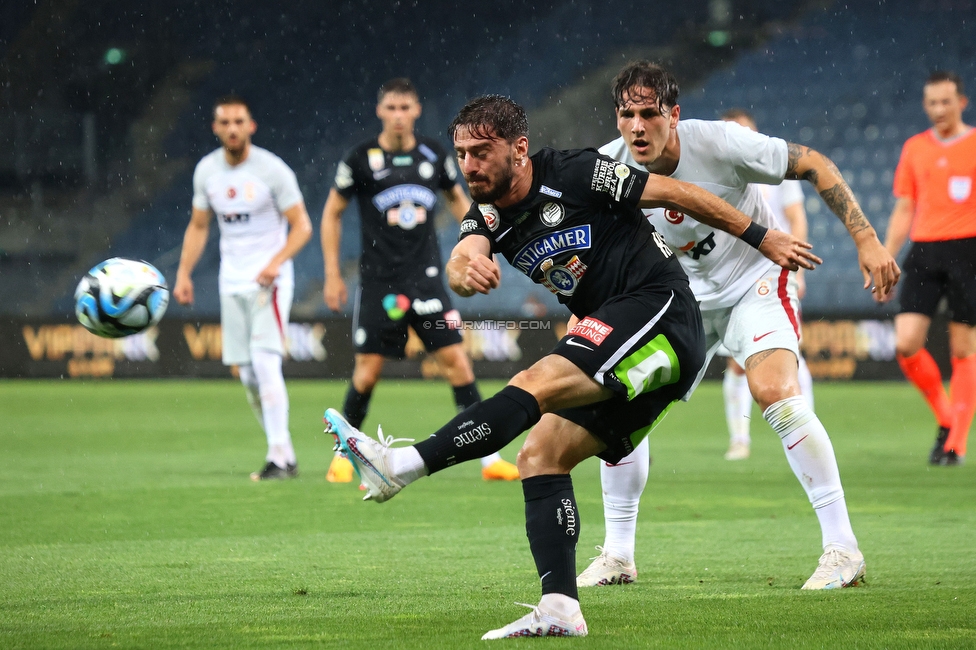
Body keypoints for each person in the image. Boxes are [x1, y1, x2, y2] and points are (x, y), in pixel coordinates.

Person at [325, 94, 817, 638]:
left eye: (481, 152)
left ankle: (402, 466)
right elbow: (463, 259)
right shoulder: (486, 211)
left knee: (532, 383)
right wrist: (468, 271)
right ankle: (560, 606)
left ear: (519, 148)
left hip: (658, 308)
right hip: (626, 334)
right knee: (541, 455)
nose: (469, 165)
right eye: (462, 153)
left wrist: (761, 235)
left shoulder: (578, 172)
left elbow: (677, 191)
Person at [575, 61, 900, 592]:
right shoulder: (606, 171)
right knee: (620, 405)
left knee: (773, 389)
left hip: (755, 280)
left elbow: (814, 162)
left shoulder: (723, 143)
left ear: (674, 115)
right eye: (627, 115)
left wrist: (865, 238)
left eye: (650, 114)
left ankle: (843, 549)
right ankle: (617, 555)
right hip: (678, 299)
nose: (638, 127)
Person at [320, 78, 519, 483]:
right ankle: (344, 456)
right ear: (380, 111)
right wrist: (330, 273)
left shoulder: (434, 155)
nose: (398, 115)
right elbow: (331, 213)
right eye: (391, 108)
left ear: (416, 111)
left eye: (405, 108)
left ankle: (490, 459)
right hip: (379, 283)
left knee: (458, 365)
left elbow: (463, 202)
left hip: (426, 282)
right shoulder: (360, 159)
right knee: (367, 371)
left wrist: (478, 246)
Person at [173, 95, 312, 480]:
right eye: (225, 122)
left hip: (270, 281)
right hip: (231, 282)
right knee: (248, 374)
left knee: (266, 363)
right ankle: (282, 451)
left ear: (251, 126)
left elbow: (302, 226)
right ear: (216, 128)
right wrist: (184, 273)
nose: (232, 128)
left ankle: (279, 457)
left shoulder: (272, 170)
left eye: (239, 121)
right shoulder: (207, 172)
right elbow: (199, 226)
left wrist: (274, 263)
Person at [884, 70, 976, 466]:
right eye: (932, 103)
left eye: (946, 102)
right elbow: (905, 206)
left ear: (962, 103)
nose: (939, 109)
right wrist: (886, 255)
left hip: (969, 250)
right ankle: (946, 417)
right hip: (924, 251)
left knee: (962, 348)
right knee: (906, 344)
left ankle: (955, 442)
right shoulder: (915, 148)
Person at [718, 108, 815, 461]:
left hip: (774, 275)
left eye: (745, 131)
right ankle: (740, 438)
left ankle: (805, 433)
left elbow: (796, 218)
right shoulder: (718, 174)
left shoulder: (776, 170)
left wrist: (798, 269)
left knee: (789, 355)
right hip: (732, 277)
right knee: (736, 364)